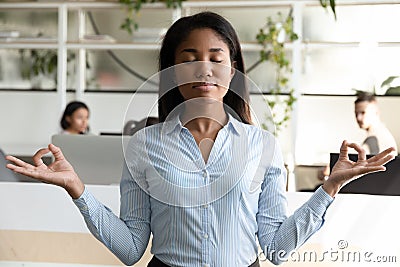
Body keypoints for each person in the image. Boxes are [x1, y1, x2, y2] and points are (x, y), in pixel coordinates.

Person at [5, 12, 395, 267]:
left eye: (216, 57)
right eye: (190, 58)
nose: (204, 69)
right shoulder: (145, 145)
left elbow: (275, 248)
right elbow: (130, 249)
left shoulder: (262, 145)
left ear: (233, 68)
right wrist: (77, 189)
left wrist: (329, 187)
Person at [317, 92, 398, 183]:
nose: (358, 118)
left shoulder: (374, 139)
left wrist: (330, 170)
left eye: (363, 113)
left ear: (376, 112)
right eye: (356, 113)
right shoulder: (380, 135)